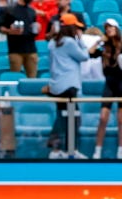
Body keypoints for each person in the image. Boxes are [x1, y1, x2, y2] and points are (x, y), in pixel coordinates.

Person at [46, 12, 87, 159]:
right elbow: (84, 56)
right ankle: (70, 150)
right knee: (73, 118)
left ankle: (57, 149)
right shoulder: (70, 42)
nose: (78, 30)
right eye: (76, 27)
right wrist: (80, 40)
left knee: (62, 116)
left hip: (57, 86)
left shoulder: (52, 43)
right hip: (69, 86)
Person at [89, 18, 122, 159]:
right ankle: (97, 151)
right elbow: (90, 52)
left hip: (121, 84)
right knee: (103, 118)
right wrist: (98, 41)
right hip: (109, 84)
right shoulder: (104, 46)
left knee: (121, 120)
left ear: (116, 29)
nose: (108, 29)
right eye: (107, 27)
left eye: (111, 27)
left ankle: (120, 150)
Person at [0, 0, 38, 78]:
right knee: (15, 77)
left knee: (32, 78)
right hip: (15, 50)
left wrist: (37, 29)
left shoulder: (32, 11)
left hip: (31, 49)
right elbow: (0, 27)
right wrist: (10, 31)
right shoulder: (9, 10)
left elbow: (33, 28)